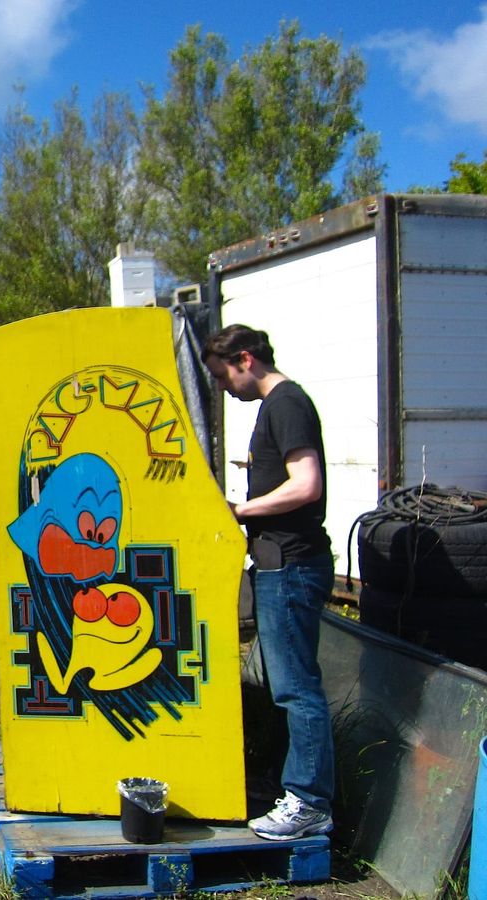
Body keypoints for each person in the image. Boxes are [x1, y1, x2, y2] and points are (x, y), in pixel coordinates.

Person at [201, 323, 335, 842]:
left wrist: (239, 510)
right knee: (282, 686)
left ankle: (309, 803)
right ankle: (293, 789)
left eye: (223, 376)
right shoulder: (274, 407)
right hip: (279, 564)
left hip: (293, 564)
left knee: (297, 690)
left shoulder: (286, 403)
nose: (224, 387)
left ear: (246, 359)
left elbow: (306, 484)